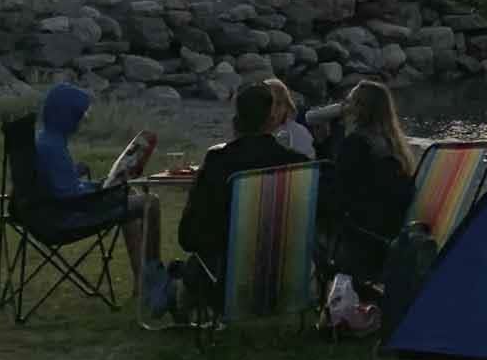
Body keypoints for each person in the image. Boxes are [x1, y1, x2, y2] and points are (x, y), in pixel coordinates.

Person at [33, 82, 166, 311]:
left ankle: (141, 281)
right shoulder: (52, 147)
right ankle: (152, 276)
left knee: (128, 197)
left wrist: (96, 184)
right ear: (67, 116)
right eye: (78, 115)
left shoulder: (44, 139)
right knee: (150, 203)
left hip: (43, 210)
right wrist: (100, 190)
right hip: (65, 217)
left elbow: (60, 184)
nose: (81, 121)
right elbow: (70, 196)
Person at [178, 83, 309, 291]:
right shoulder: (297, 164)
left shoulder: (218, 162)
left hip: (226, 283)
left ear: (235, 121)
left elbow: (188, 235)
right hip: (284, 281)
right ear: (272, 120)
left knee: (193, 265)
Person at [329, 80, 418, 277]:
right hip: (392, 231)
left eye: (350, 102)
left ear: (359, 109)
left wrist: (332, 137)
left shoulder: (356, 144)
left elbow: (340, 193)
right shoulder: (394, 145)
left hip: (363, 238)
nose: (345, 107)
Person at [264, 77, 316, 158]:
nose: (272, 109)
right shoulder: (253, 133)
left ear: (287, 106)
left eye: (278, 103)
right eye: (268, 103)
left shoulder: (299, 132)